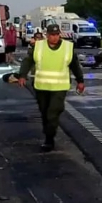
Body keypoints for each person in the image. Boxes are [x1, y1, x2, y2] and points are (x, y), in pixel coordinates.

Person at [16, 24, 85, 152]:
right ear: (47, 35)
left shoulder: (67, 47)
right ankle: (48, 135)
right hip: (41, 86)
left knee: (53, 112)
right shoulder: (39, 46)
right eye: (52, 35)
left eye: (56, 35)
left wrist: (80, 81)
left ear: (60, 34)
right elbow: (28, 61)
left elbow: (75, 65)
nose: (54, 37)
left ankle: (49, 139)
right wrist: (22, 75)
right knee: (45, 113)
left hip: (59, 87)